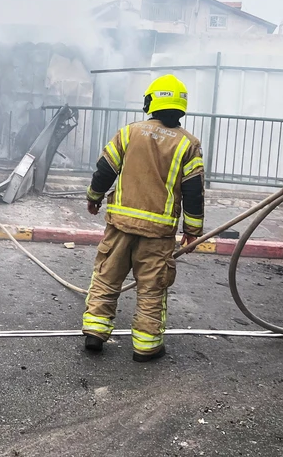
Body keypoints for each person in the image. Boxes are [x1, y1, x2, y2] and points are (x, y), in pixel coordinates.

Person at [81, 74, 205, 362]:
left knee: (107, 278)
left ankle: (95, 334)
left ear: (150, 102)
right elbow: (194, 191)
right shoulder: (189, 144)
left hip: (120, 226)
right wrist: (193, 229)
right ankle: (146, 347)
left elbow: (104, 170)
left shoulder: (129, 133)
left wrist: (93, 197)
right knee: (151, 288)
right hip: (158, 233)